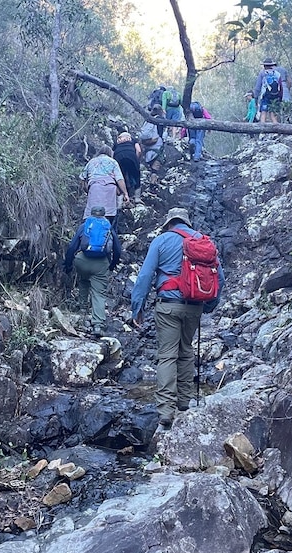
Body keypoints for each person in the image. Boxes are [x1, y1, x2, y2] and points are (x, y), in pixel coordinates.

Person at [130, 207, 225, 432]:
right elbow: (219, 277)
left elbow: (145, 275)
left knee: (167, 356)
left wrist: (137, 307)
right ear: (187, 223)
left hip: (168, 307)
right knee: (186, 351)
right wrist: (210, 304)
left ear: (169, 223)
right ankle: (184, 403)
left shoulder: (162, 241)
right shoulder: (202, 242)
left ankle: (165, 412)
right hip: (194, 307)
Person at [64, 206, 122, 336]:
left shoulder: (85, 226)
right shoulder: (108, 227)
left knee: (84, 280)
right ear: (104, 214)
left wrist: (68, 265)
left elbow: (72, 247)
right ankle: (97, 325)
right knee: (99, 294)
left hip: (82, 260)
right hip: (101, 264)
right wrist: (112, 265)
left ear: (90, 214)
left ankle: (82, 308)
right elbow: (117, 250)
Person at [80, 145, 129, 224]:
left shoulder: (91, 162)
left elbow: (82, 179)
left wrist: (87, 190)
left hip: (95, 188)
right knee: (108, 214)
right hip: (110, 190)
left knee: (93, 214)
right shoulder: (112, 162)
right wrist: (125, 193)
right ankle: (109, 233)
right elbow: (119, 179)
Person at [139, 105, 166, 186]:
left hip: (147, 147)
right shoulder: (160, 119)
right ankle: (152, 185)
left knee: (150, 167)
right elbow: (163, 131)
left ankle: (148, 184)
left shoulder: (148, 119)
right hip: (157, 145)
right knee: (155, 168)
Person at [113, 132, 142, 202]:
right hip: (131, 157)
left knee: (120, 177)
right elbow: (139, 151)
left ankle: (120, 200)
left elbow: (112, 153)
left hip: (118, 158)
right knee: (136, 175)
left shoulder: (116, 144)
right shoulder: (133, 140)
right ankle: (137, 198)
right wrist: (136, 160)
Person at [253, 57, 283, 125]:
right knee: (273, 114)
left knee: (263, 113)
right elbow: (281, 87)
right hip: (276, 96)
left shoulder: (262, 73)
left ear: (264, 66)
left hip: (265, 96)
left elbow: (258, 87)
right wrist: (280, 98)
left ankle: (262, 131)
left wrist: (256, 97)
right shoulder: (277, 74)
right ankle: (276, 130)